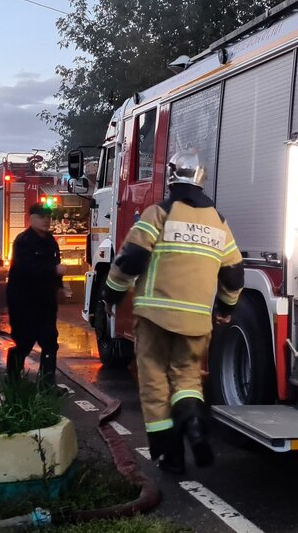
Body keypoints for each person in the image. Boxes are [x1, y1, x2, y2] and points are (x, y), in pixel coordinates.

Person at [105, 149, 244, 474]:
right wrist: (225, 308)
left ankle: (170, 456)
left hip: (155, 317)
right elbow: (235, 273)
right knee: (187, 379)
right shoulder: (217, 222)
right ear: (199, 179)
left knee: (154, 382)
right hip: (196, 321)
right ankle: (195, 426)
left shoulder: (159, 213)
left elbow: (132, 259)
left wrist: (111, 293)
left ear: (171, 178)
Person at [6, 203, 65, 386]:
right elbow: (27, 269)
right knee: (25, 342)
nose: (47, 221)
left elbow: (56, 266)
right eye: (42, 217)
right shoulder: (23, 241)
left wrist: (59, 287)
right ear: (31, 219)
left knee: (49, 342)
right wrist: (53, 270)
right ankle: (14, 381)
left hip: (45, 300)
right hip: (23, 300)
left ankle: (47, 384)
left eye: (49, 217)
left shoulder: (50, 241)